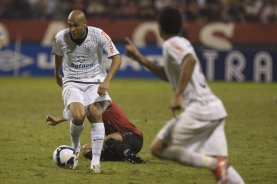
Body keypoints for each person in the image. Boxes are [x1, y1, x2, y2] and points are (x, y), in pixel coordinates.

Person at [125, 7, 244, 184]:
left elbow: (190, 59)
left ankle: (213, 162)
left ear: (159, 27)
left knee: (158, 148)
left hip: (200, 110)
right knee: (222, 168)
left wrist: (178, 95)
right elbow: (167, 74)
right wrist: (140, 58)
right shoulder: (179, 42)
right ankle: (216, 164)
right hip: (214, 108)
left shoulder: (171, 44)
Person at [52, 9, 121, 173]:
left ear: (85, 23)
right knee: (78, 115)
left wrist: (107, 80)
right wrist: (56, 73)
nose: (72, 29)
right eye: (70, 25)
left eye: (75, 25)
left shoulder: (99, 35)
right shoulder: (60, 37)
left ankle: (95, 162)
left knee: (96, 113)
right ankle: (74, 150)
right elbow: (58, 54)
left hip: (94, 80)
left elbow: (117, 58)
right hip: (72, 81)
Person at [45, 100, 145, 164]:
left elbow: (85, 108)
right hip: (117, 143)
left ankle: (131, 156)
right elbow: (79, 113)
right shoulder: (89, 109)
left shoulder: (105, 101)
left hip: (134, 137)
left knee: (109, 139)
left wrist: (59, 119)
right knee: (86, 150)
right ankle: (121, 156)